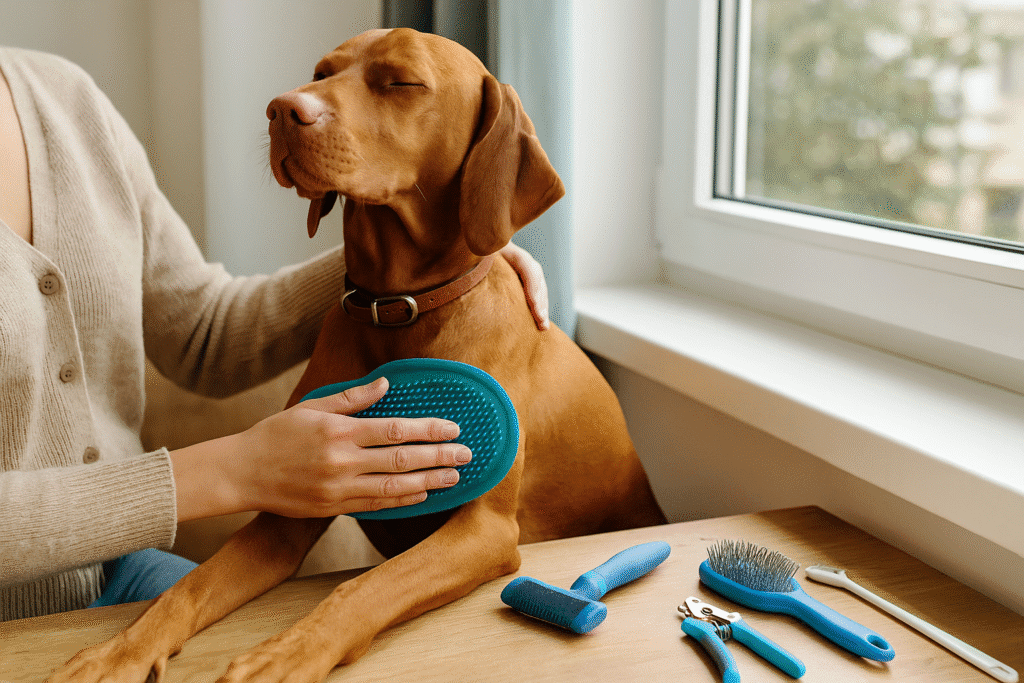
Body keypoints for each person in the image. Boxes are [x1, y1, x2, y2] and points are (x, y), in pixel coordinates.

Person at [0, 46, 550, 621]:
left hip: (124, 572)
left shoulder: (66, 99)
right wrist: (235, 470)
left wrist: (431, 259)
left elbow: (203, 335)